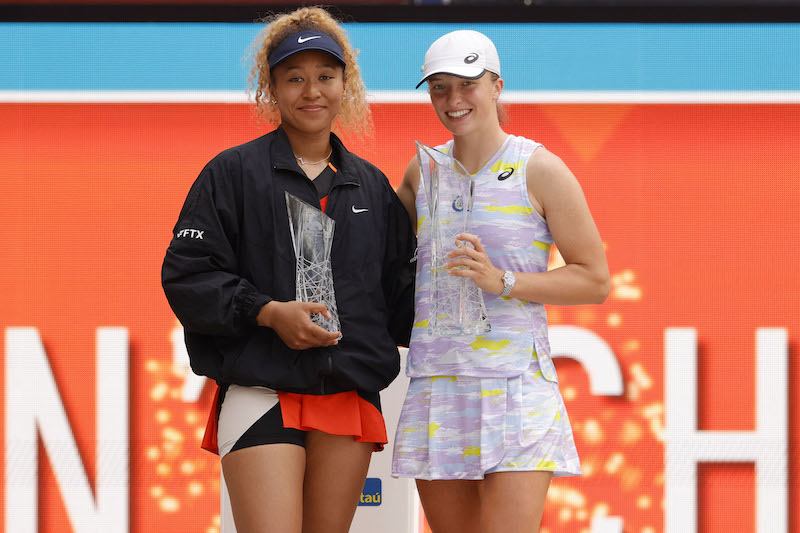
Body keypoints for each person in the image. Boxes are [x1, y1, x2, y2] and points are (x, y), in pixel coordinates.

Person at [161, 8, 415, 533]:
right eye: (294, 78)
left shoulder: (372, 188)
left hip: (347, 393)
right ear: (270, 88)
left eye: (325, 76)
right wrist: (268, 312)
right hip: (261, 388)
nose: (311, 91)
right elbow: (187, 276)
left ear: (347, 85)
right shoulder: (231, 173)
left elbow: (401, 300)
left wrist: (488, 287)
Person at [391, 30, 610, 533]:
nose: (453, 100)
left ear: (496, 86)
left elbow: (593, 280)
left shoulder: (541, 168)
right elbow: (385, 267)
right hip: (440, 384)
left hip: (516, 386)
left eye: (467, 84)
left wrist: (503, 280)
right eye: (439, 87)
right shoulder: (421, 173)